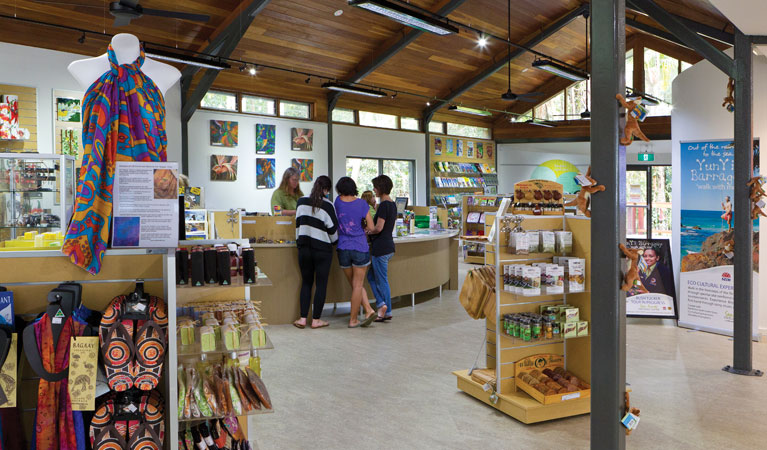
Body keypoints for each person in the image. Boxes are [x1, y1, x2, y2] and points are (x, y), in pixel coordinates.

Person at [293, 176, 338, 329]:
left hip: (304, 248)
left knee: (306, 283)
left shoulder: (301, 202)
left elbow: (297, 226)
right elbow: (333, 230)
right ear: (327, 190)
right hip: (323, 250)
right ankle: (317, 319)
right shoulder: (328, 205)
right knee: (321, 284)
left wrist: (299, 243)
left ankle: (302, 319)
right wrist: (335, 242)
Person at [334, 177, 377, 328]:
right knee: (358, 285)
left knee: (354, 284)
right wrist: (364, 229)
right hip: (359, 245)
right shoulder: (362, 204)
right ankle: (353, 320)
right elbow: (371, 227)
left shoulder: (337, 202)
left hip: (343, 247)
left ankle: (368, 310)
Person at [367, 175, 397, 322]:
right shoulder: (392, 204)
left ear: (381, 188)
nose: (374, 190)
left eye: (375, 187)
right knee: (371, 276)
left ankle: (386, 309)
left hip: (381, 248)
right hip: (388, 246)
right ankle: (382, 305)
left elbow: (378, 228)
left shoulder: (384, 205)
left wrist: (368, 231)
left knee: (381, 280)